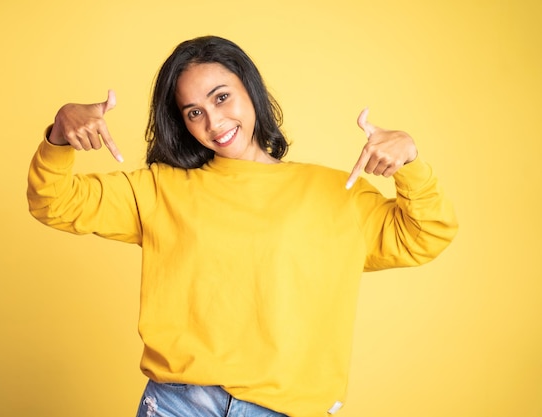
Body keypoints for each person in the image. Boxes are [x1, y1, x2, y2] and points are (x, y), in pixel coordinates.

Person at [27, 35, 458, 417]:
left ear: (250, 89)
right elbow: (54, 202)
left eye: (220, 98)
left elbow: (426, 235)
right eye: (193, 112)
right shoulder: (162, 189)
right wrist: (61, 133)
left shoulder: (336, 193)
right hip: (180, 404)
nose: (213, 123)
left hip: (287, 409)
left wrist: (410, 162)